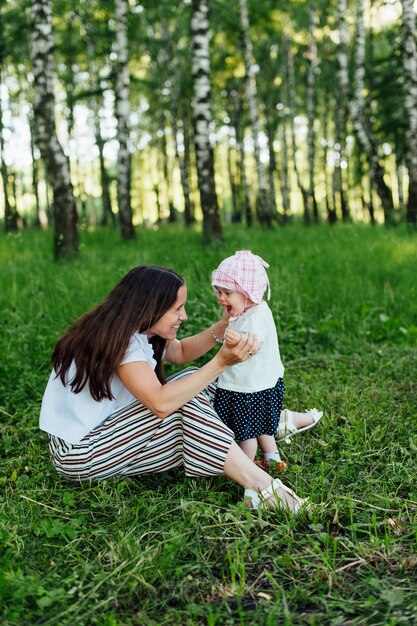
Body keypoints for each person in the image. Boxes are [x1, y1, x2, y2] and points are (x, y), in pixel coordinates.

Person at [39, 265, 308, 514]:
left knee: (190, 379)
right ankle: (262, 486)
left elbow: (179, 353)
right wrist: (221, 362)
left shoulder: (137, 328)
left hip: (109, 430)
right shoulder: (121, 343)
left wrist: (224, 324)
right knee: (184, 399)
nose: (184, 316)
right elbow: (161, 404)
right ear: (150, 308)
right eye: (177, 309)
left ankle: (261, 423)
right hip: (80, 452)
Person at [211, 250, 323, 484]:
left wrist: (235, 340)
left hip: (248, 388)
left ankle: (245, 469)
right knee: (263, 423)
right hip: (258, 383)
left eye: (227, 293)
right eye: (219, 292)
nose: (220, 298)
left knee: (246, 433)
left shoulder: (257, 315)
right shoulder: (243, 310)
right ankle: (272, 457)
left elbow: (255, 342)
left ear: (248, 293)